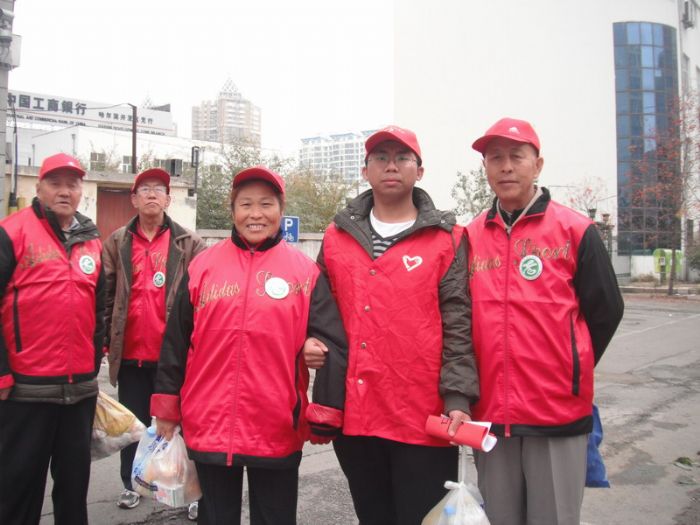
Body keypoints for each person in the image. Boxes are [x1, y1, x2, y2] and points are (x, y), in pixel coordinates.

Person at [150, 166, 347, 525]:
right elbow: (176, 341)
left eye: (266, 204)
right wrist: (166, 407)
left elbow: (333, 343)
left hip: (276, 424)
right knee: (215, 517)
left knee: (274, 517)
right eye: (245, 204)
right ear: (232, 210)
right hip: (208, 420)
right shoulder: (202, 267)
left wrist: (326, 410)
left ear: (281, 209)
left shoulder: (305, 273)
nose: (256, 214)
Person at [304, 125, 479, 525]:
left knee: (421, 517)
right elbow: (319, 310)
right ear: (365, 170)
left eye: (402, 158)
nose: (391, 166)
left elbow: (459, 323)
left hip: (422, 415)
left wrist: (457, 397)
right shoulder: (336, 236)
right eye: (380, 158)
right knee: (373, 514)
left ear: (420, 170)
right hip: (356, 414)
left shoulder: (448, 239)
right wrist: (309, 340)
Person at [467, 117, 624, 525]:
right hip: (490, 415)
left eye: (516, 156)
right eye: (495, 158)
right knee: (498, 518)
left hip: (556, 413)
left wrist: (569, 365)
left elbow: (607, 309)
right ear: (485, 168)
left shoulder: (576, 230)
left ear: (537, 165)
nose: (506, 167)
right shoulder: (469, 237)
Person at [0, 153, 105, 525]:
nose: (64, 192)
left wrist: (92, 363)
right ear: (39, 187)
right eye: (55, 183)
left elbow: (99, 308)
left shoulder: (91, 240)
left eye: (72, 184)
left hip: (79, 391)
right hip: (25, 389)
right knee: (17, 488)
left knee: (74, 489)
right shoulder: (11, 232)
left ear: (81, 191)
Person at [102, 167, 205, 517]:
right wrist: (106, 341)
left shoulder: (188, 243)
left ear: (168, 199)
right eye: (144, 189)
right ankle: (131, 485)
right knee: (133, 427)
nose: (151, 194)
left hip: (173, 357)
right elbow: (106, 295)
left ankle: (191, 491)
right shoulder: (118, 241)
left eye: (158, 189)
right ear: (133, 199)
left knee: (183, 425)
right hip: (131, 354)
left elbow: (202, 299)